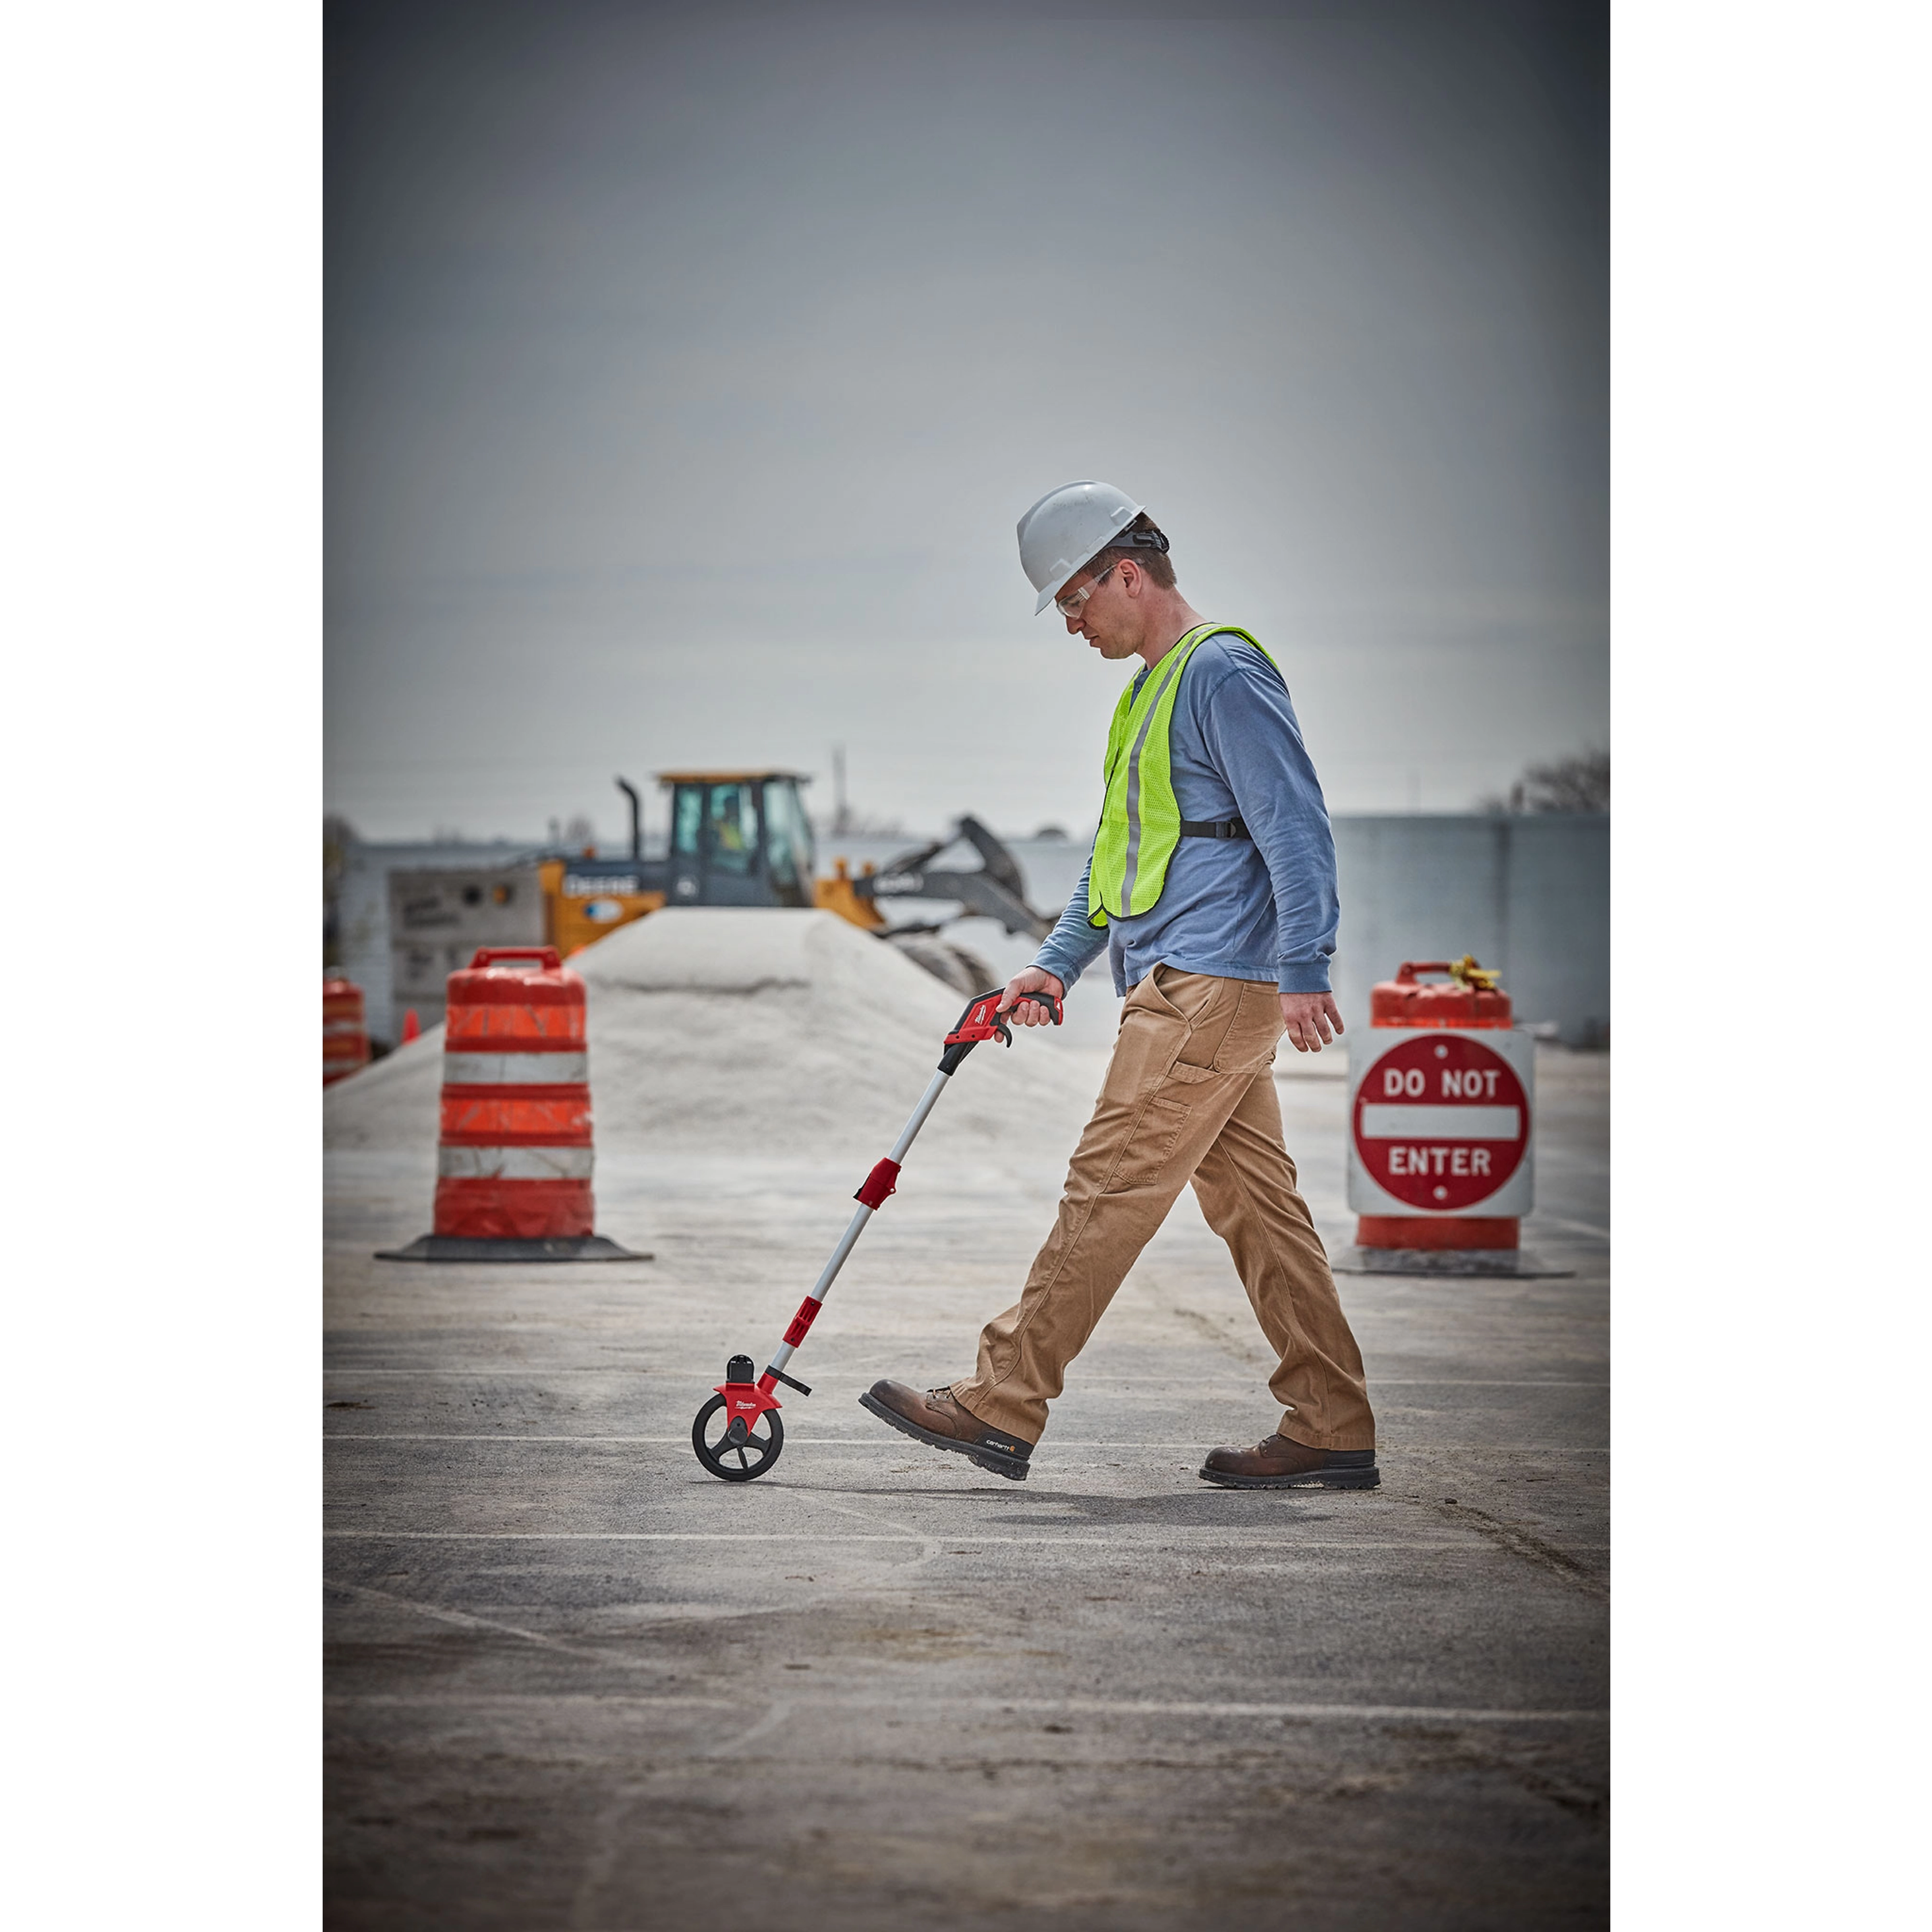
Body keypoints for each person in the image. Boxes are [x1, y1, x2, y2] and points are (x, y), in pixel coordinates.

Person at [860, 481, 1378, 1491]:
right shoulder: (1148, 691)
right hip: (1187, 985)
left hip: (1205, 986)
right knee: (1261, 1214)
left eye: (1072, 599)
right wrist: (1053, 962)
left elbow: (1294, 828)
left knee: (1104, 1189)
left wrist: (1307, 965)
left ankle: (1000, 1399)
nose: (1068, 621)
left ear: (1125, 574)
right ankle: (1330, 1418)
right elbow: (1115, 856)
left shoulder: (1221, 672)